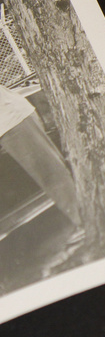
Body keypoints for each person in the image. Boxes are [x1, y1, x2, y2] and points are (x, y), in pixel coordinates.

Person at [0, 83, 82, 234]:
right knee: (50, 175)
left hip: (12, 121)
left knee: (52, 174)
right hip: (8, 125)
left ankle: (87, 221)